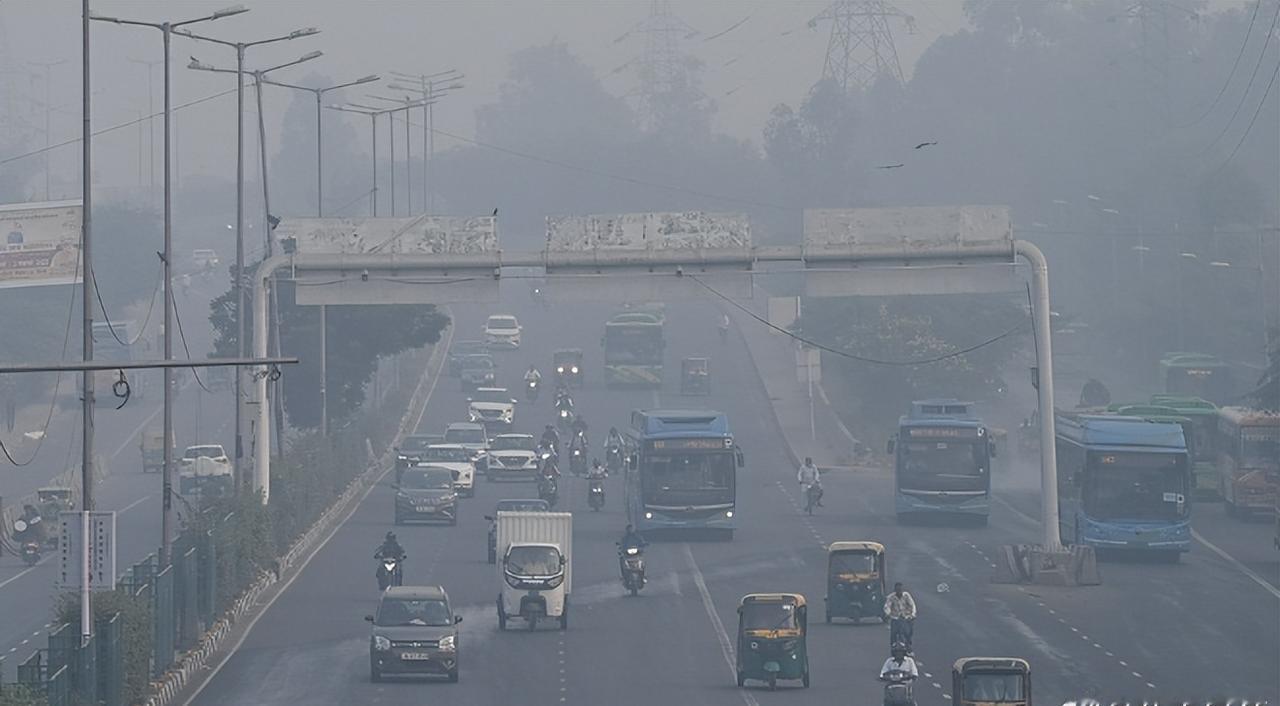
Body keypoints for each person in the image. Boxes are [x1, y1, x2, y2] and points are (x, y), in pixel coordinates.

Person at [884, 582, 917, 650]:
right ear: (895, 590)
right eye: (897, 590)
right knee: (893, 633)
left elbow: (912, 605)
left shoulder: (906, 595)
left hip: (906, 617)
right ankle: (893, 646)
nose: (899, 591)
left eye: (900, 589)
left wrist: (913, 614)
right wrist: (888, 613)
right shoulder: (891, 597)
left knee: (908, 633)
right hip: (895, 618)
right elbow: (887, 606)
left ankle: (909, 645)